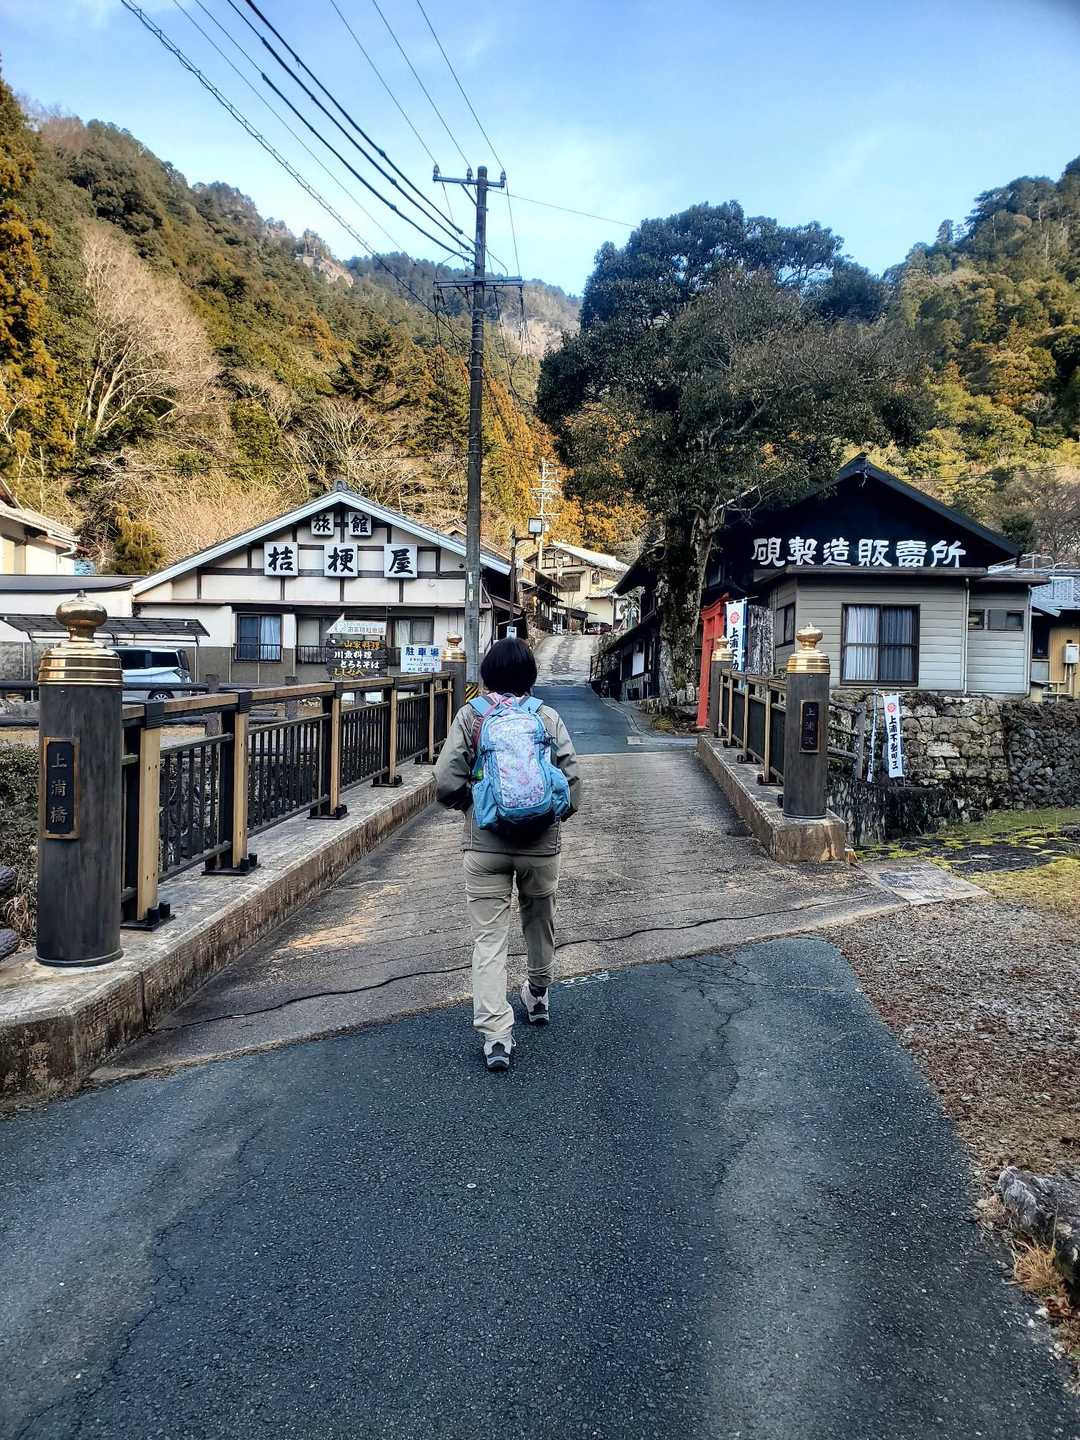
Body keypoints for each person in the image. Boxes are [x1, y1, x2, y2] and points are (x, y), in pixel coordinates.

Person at [434, 637, 581, 1072]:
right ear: (530, 677)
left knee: (489, 939)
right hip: (541, 846)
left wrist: (476, 807)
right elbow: (573, 784)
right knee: (539, 920)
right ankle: (537, 995)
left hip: (485, 847)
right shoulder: (546, 716)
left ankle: (496, 1035)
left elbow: (445, 781)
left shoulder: (471, 716)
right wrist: (549, 814)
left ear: (487, 676)